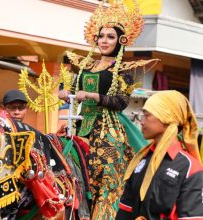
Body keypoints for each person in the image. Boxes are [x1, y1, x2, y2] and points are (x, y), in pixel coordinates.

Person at [58, 1, 155, 219]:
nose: (104, 41)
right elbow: (74, 90)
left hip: (107, 129)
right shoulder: (86, 66)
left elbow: (121, 102)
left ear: (120, 40)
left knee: (105, 180)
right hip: (80, 124)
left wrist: (93, 96)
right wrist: (65, 93)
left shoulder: (123, 69)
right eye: (101, 36)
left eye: (110, 37)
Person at [116, 90, 203, 219]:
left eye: (147, 115)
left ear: (167, 118)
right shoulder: (140, 160)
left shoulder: (190, 168)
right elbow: (125, 210)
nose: (142, 122)